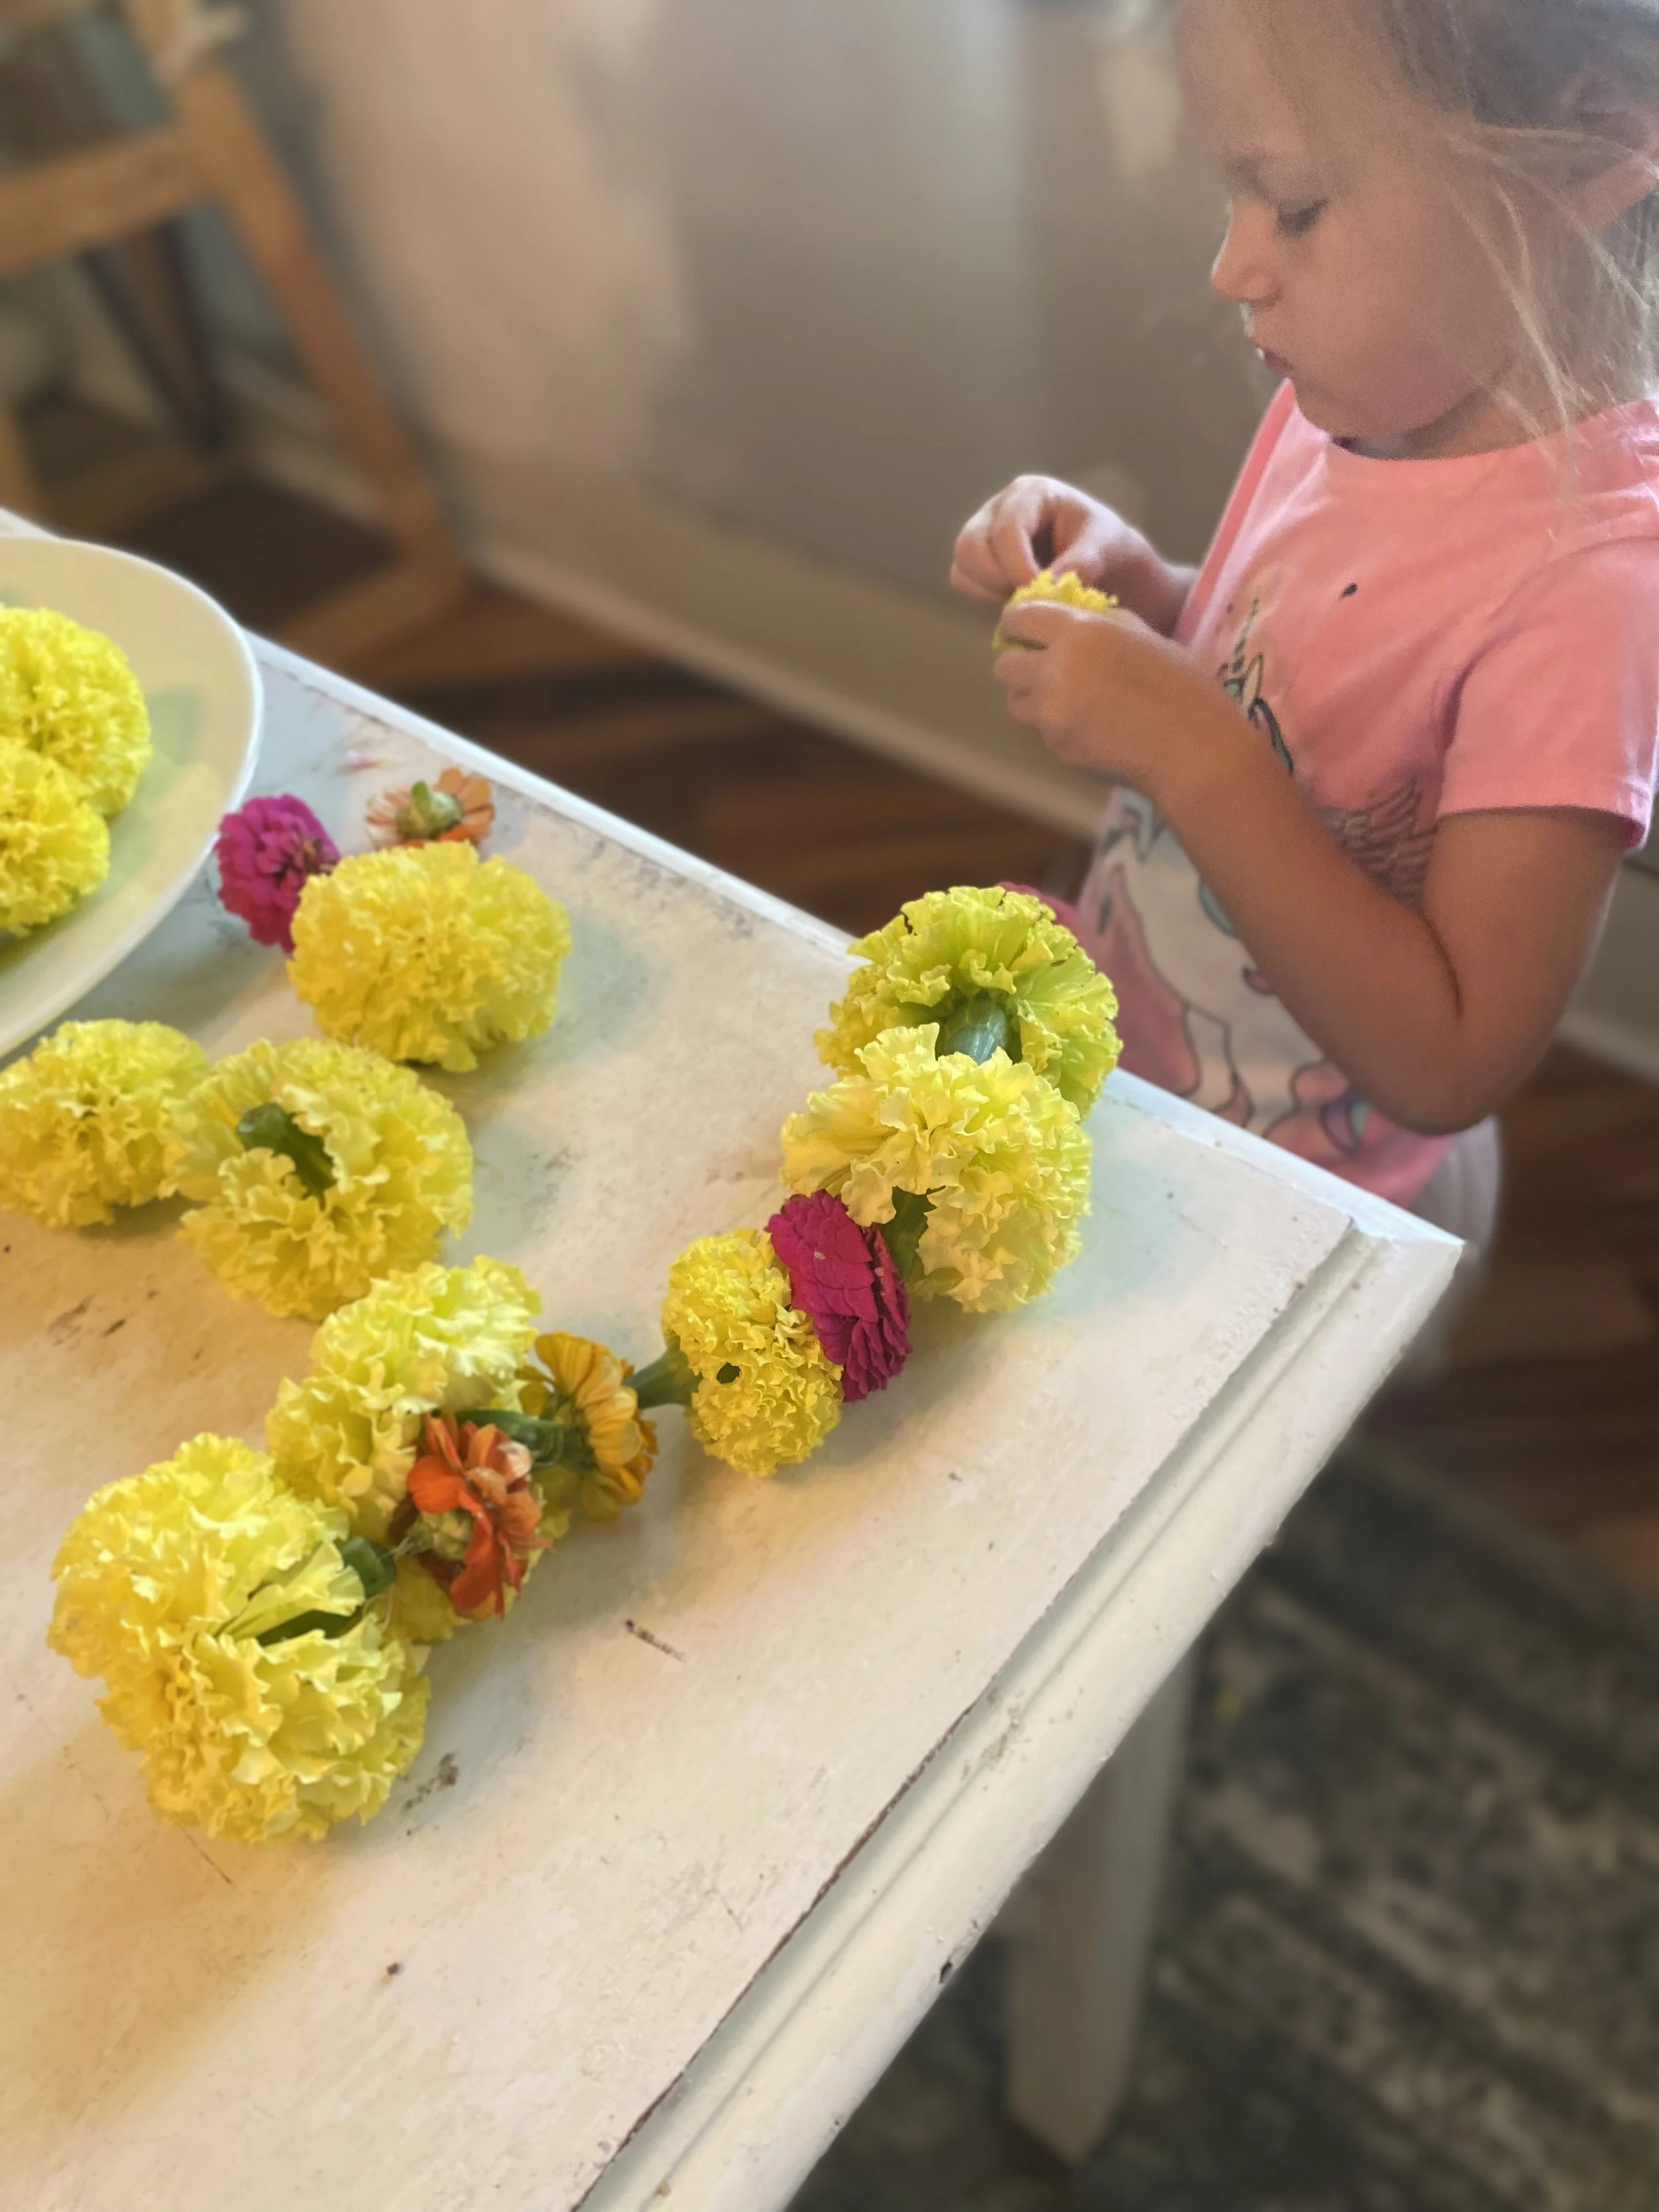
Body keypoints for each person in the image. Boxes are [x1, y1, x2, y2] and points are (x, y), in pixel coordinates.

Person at [954, 0, 1659, 1368]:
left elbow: (1450, 1055)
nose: (1231, 267)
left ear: (1585, 152)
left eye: (1290, 203)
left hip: (1308, 1212)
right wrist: (1141, 595)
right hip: (1147, 1063)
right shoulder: (1372, 386)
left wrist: (1186, 749)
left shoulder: (1590, 591)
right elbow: (1297, 670)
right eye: (1235, 190)